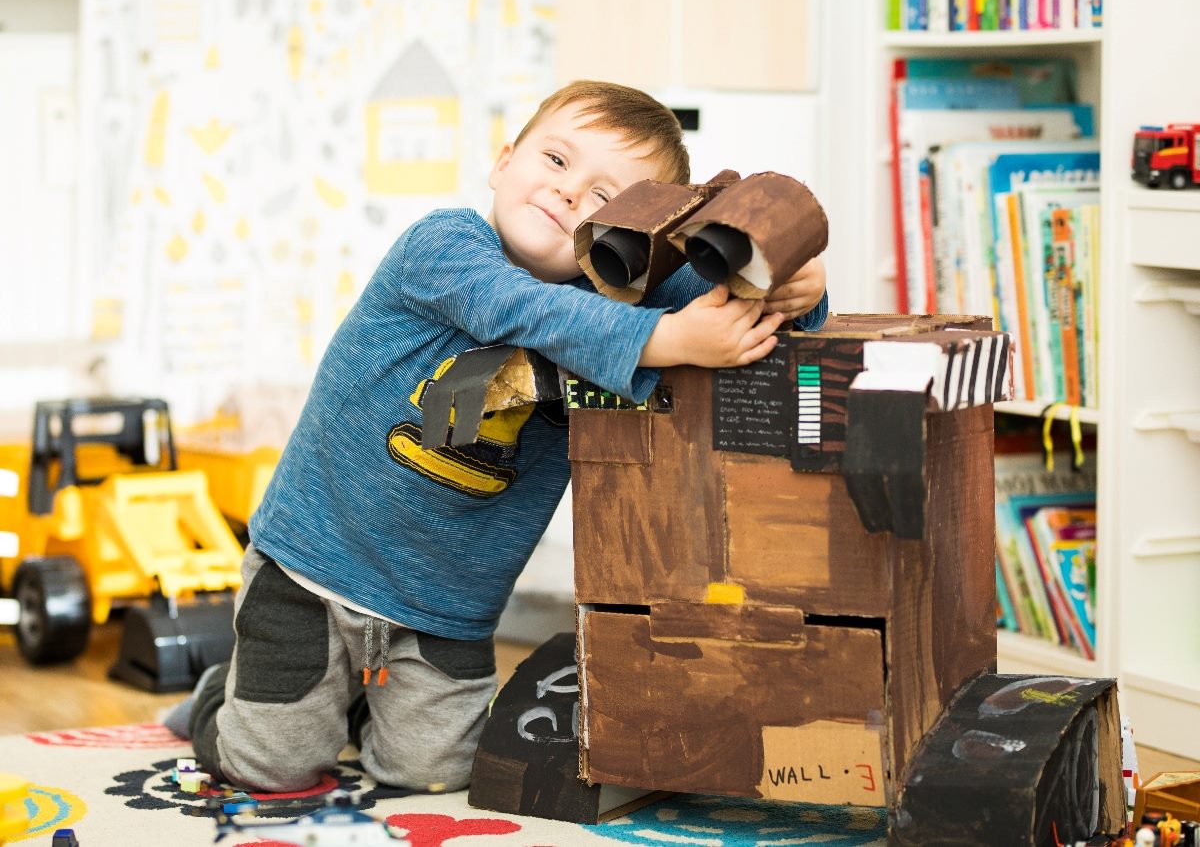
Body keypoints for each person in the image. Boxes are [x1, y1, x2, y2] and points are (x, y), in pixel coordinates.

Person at [182, 80, 829, 793]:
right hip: (313, 565)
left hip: (447, 604)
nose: (570, 194)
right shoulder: (444, 246)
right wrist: (671, 336)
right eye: (556, 161)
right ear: (503, 162)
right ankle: (222, 694)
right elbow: (520, 310)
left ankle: (365, 706)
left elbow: (740, 319)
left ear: (640, 244)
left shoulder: (624, 302)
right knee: (268, 766)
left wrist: (793, 291)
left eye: (606, 198)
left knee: (431, 776)